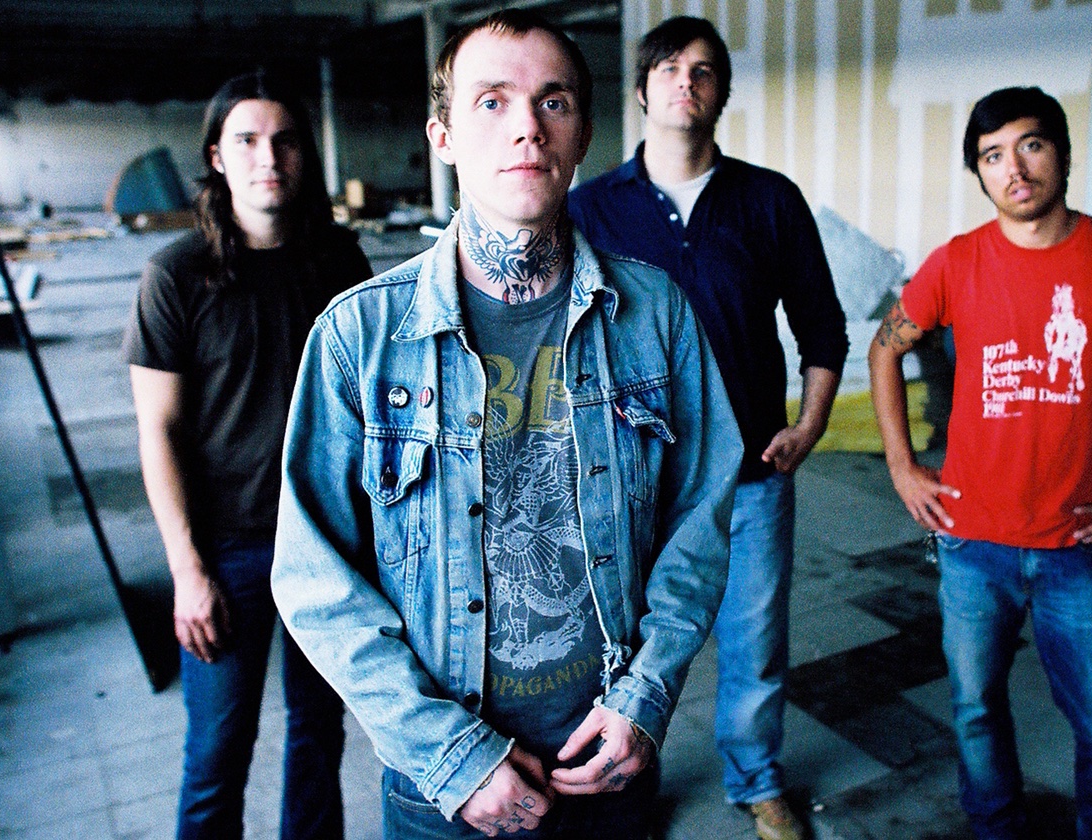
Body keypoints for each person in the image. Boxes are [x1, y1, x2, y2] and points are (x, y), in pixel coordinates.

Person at [270, 11, 741, 839]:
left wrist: (647, 695)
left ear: (583, 133)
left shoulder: (655, 312)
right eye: (492, 102)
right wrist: (449, 755)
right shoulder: (358, 337)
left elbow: (700, 514)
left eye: (553, 102)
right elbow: (314, 579)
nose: (527, 126)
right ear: (443, 136)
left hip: (609, 759)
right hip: (445, 790)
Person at [868, 86, 1092, 839]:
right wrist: (901, 465)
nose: (1014, 169)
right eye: (992, 156)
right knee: (975, 709)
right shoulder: (956, 263)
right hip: (970, 542)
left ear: (1061, 152)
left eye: (1030, 145)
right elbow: (884, 349)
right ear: (980, 174)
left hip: (1078, 545)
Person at [568, 16, 848, 840]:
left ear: (722, 92)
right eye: (668, 68)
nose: (684, 82)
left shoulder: (768, 200)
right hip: (634, 480)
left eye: (702, 70)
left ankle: (756, 779)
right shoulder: (591, 210)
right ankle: (626, 787)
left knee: (754, 642)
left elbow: (822, 325)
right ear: (641, 89)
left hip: (751, 473)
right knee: (627, 649)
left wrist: (812, 424)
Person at [124, 71, 372, 839]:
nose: (269, 157)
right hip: (226, 550)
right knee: (217, 752)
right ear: (217, 157)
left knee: (317, 735)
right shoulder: (176, 275)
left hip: (327, 541)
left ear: (305, 156)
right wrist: (187, 571)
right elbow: (158, 432)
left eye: (285, 140)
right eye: (248, 140)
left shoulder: (339, 261)